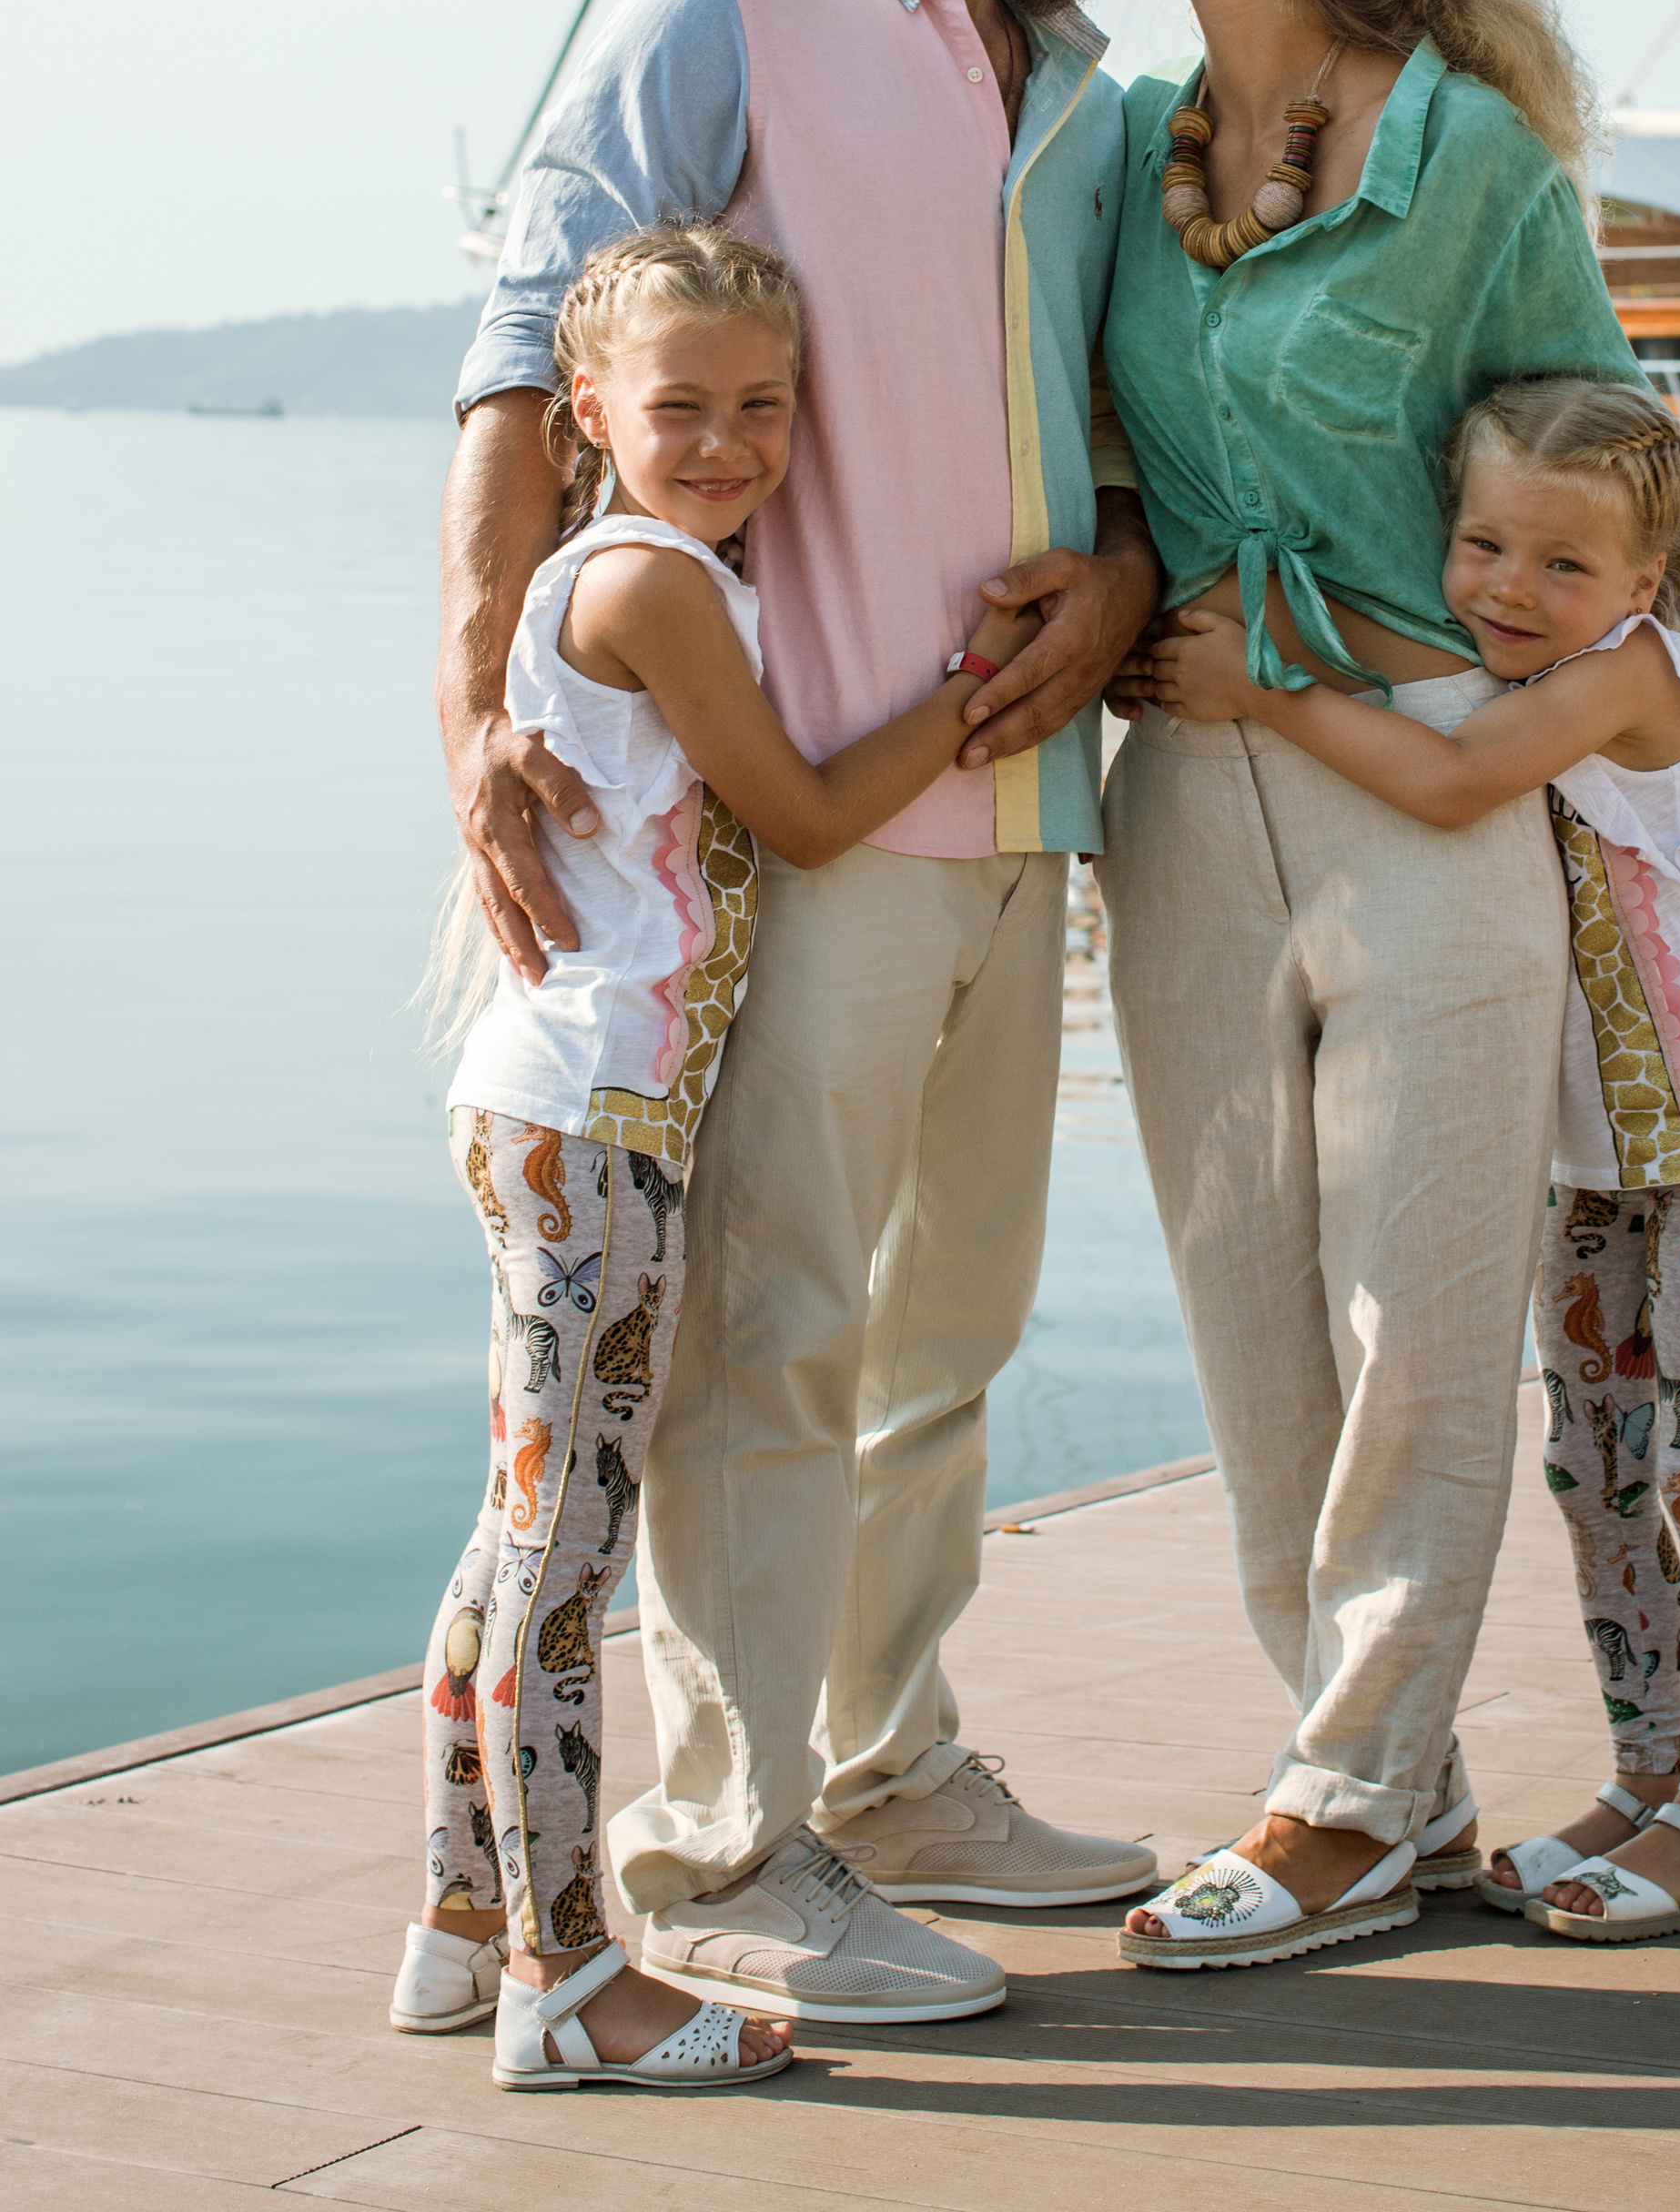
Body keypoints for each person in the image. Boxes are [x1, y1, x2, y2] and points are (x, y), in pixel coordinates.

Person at [439, 0, 1164, 2030]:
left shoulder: (1081, 83)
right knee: (778, 1339)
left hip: (1024, 804)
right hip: (808, 823)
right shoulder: (732, 6)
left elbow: (1100, 415)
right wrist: (475, 694)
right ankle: (711, 1853)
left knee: (947, 1329)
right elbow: (531, 324)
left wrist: (1126, 579)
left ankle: (887, 1761)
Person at [1086, 0, 1680, 1973]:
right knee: (1247, 1317)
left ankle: (1338, 1798)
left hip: (1422, 779)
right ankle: (1379, 1780)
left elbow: (1630, 459)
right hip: (1179, 786)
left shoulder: (1468, 157)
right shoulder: (1115, 144)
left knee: (1415, 1312)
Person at [400, 221, 1042, 2087]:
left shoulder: (672, 572)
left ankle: (460, 1924)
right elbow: (812, 813)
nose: (728, 440)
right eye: (679, 405)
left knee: (522, 1533)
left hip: (585, 1114)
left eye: (764, 406)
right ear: (584, 411)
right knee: (564, 1552)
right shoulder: (643, 584)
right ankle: (568, 1985)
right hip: (587, 1114)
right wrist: (979, 686)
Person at [1142, 372, 1680, 1947]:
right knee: (1596, 1473)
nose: (1511, 591)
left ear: (1650, 585)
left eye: (1562, 566)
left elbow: (1445, 777)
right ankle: (1645, 1778)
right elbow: (1409, 654)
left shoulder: (1630, 671)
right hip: (1587, 1161)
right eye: (1483, 546)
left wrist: (1262, 693)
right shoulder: (1542, 651)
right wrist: (1263, 625)